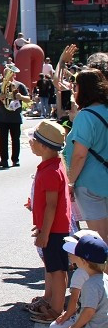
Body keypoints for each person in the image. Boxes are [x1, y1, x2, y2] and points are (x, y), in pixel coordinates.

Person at [26, 121, 73, 324]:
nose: (30, 143)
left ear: (44, 146)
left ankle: (56, 310)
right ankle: (54, 302)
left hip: (55, 230)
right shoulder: (52, 166)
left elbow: (52, 206)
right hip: (55, 228)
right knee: (56, 267)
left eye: (34, 140)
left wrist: (45, 232)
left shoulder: (51, 171)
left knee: (57, 270)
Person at [65, 69, 108, 239]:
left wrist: (71, 181)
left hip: (90, 182)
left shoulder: (86, 116)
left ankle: (102, 267)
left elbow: (79, 155)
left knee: (101, 238)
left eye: (75, 87)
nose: (74, 91)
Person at [50, 233, 108, 328]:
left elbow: (88, 311)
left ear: (84, 261)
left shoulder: (90, 284)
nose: (72, 255)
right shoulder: (105, 278)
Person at [0, 71, 31, 168]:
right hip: (1, 117)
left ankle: (15, 160)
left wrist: (21, 97)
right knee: (3, 140)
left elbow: (28, 99)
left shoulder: (20, 86)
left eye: (11, 73)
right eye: (7, 73)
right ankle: (4, 160)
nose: (9, 75)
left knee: (15, 139)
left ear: (14, 75)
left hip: (15, 117)